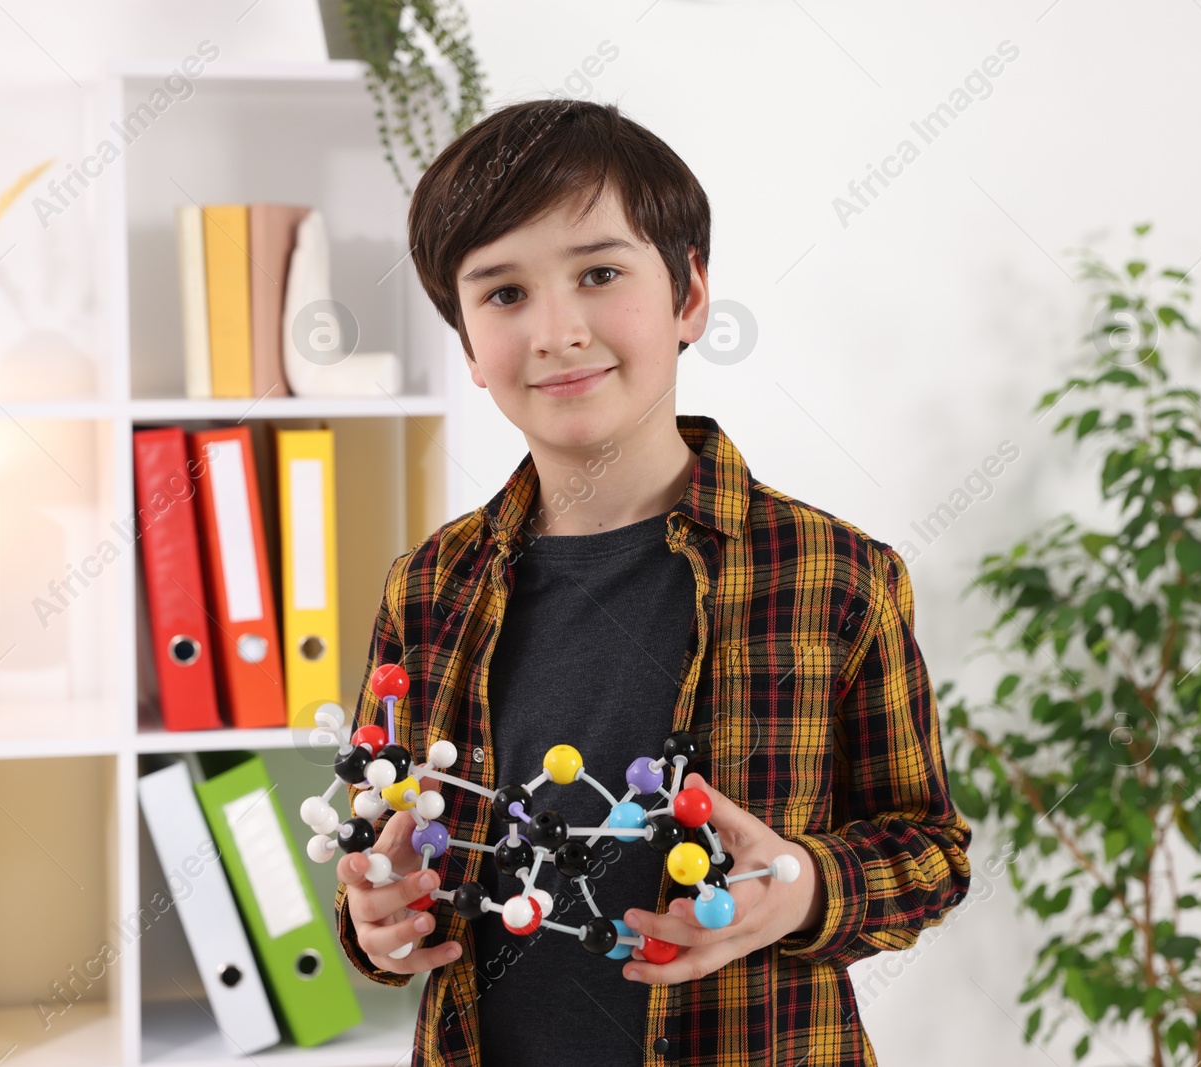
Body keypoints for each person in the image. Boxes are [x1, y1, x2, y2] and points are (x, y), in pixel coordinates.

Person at [332, 97, 972, 1067]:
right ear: (466, 342)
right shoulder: (426, 588)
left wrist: (799, 885)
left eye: (598, 272)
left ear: (688, 296)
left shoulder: (836, 576)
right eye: (503, 293)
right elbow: (387, 852)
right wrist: (375, 918)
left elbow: (929, 851)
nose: (555, 330)